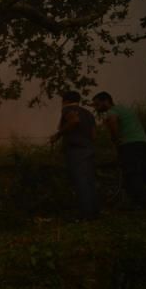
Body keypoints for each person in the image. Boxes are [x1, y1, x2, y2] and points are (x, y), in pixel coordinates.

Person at [92, 91, 146, 209]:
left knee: (132, 173)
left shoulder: (111, 112)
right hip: (144, 143)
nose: (96, 108)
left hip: (130, 145)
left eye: (97, 104)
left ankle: (140, 203)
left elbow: (113, 124)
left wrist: (116, 140)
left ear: (106, 101)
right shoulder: (126, 109)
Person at [50, 91, 99, 220]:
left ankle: (85, 215)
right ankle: (94, 212)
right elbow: (94, 135)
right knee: (89, 181)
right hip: (89, 148)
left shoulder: (68, 109)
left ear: (65, 100)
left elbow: (74, 120)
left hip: (76, 150)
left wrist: (58, 134)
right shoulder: (88, 113)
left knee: (80, 182)